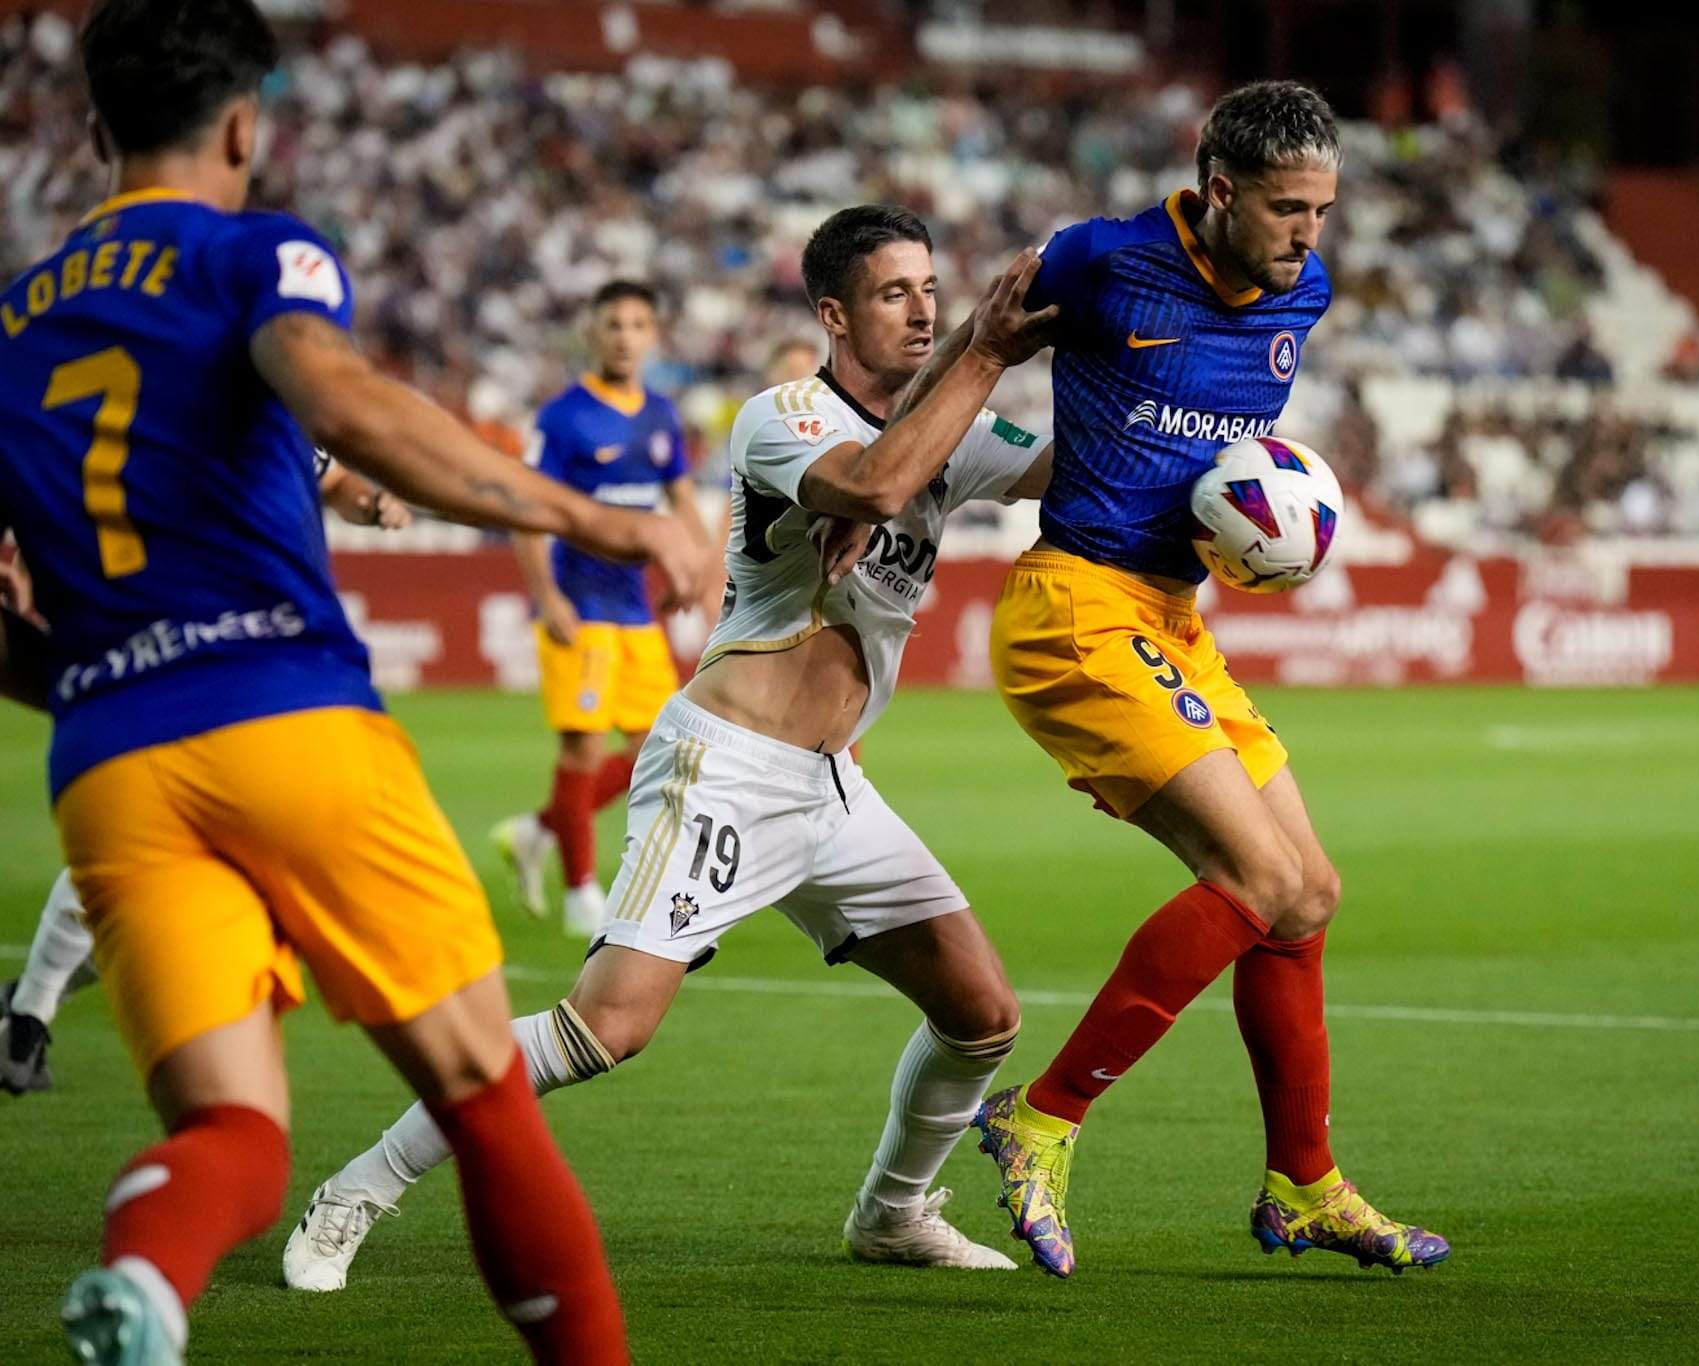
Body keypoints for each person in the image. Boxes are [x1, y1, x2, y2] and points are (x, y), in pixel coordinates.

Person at [0, 0, 710, 1357]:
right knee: (483, 1094)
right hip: (285, 716)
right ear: (245, 125)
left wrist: (93, 680)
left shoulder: (12, 330)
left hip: (105, 761)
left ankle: (147, 1281)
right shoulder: (256, 251)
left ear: (93, 130)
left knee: (232, 1136)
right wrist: (601, 518)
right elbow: (343, 398)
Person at [282, 205, 1060, 1289]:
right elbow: (877, 483)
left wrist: (1171, 395)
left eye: (931, 286)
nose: (925, 307)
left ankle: (891, 1214)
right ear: (832, 313)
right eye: (894, 291)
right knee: (606, 1027)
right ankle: (357, 1186)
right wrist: (984, 349)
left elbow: (1069, 470)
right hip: (726, 766)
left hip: (831, 787)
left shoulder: (955, 428)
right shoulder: (781, 415)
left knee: (982, 1015)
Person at [971, 81, 1453, 1278]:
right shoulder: (1095, 262)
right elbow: (968, 348)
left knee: (1306, 894)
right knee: (1255, 873)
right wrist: (886, 479)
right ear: (1218, 187)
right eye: (1288, 209)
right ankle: (1038, 1117)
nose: (1307, 236)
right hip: (1073, 609)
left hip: (1174, 619)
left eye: (1324, 212)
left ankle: (1304, 1183)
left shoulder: (1308, 292)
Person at [0, 458, 410, 1098]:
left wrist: (372, 500)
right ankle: (30, 1017)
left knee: (195, 874)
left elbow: (332, 479)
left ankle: (29, 1005)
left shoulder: (268, 395)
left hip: (277, 661)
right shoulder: (174, 400)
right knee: (161, 849)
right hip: (189, 645)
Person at [492, 281, 718, 936]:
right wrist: (546, 595)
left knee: (657, 749)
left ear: (654, 336)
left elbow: (679, 501)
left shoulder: (661, 416)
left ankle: (540, 829)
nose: (625, 336)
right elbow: (525, 509)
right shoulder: (563, 418)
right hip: (581, 604)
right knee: (584, 750)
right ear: (592, 333)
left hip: (635, 608)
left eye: (638, 324)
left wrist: (697, 570)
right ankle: (582, 894)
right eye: (613, 323)